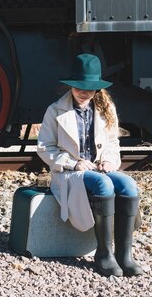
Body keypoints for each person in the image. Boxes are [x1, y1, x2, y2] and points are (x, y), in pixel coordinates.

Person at [37, 53, 143, 277]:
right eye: (79, 87)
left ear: (98, 89)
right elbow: (45, 148)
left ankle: (125, 255)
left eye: (90, 88)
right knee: (103, 186)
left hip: (99, 167)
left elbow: (113, 142)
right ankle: (104, 254)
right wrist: (74, 164)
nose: (84, 92)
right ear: (71, 86)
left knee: (129, 185)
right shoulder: (55, 111)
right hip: (70, 172)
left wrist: (109, 160)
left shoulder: (106, 108)